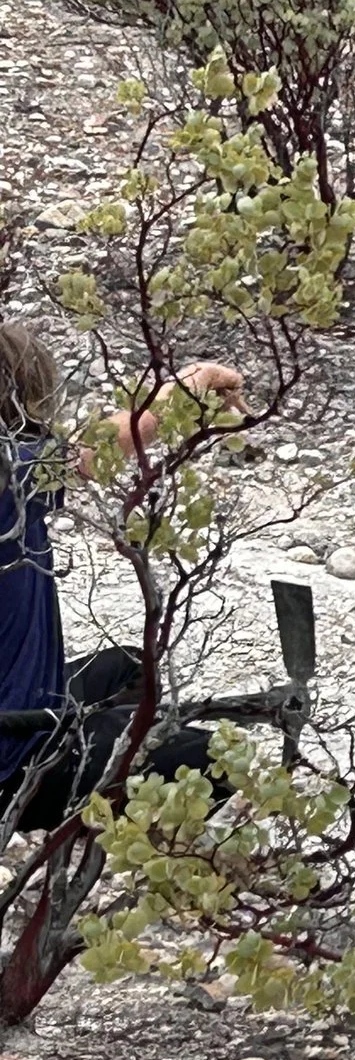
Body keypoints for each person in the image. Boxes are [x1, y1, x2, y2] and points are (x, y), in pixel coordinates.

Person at [1, 323, 231, 830]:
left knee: (127, 668)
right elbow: (97, 450)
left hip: (29, 708)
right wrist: (190, 386)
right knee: (214, 757)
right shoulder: (9, 476)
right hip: (15, 760)